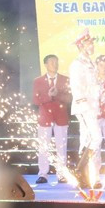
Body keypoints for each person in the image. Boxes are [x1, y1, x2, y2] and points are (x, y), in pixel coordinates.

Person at [69, 28, 103, 188]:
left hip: (92, 106)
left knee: (88, 139)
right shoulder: (77, 64)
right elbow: (76, 87)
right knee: (96, 138)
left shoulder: (90, 63)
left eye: (92, 43)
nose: (92, 45)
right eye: (89, 43)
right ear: (81, 45)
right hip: (84, 107)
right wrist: (85, 106)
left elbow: (94, 85)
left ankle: (85, 176)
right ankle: (79, 170)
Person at [32, 54, 72, 184]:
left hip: (61, 117)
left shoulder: (65, 79)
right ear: (45, 65)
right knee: (44, 147)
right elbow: (35, 100)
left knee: (61, 147)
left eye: (56, 62)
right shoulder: (38, 81)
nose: (55, 64)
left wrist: (57, 94)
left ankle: (61, 174)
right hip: (45, 118)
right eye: (52, 62)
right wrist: (48, 96)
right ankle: (43, 174)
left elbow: (69, 98)